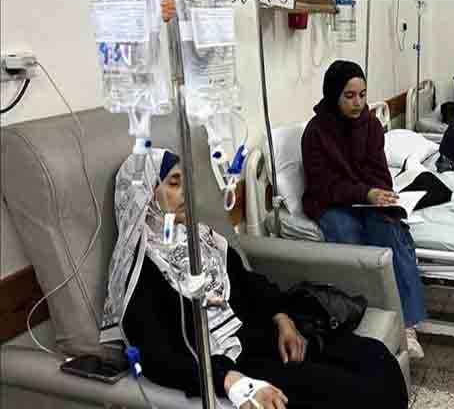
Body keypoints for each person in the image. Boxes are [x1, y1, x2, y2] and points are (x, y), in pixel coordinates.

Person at [101, 150, 408, 409]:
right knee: (360, 395)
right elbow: (159, 358)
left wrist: (283, 320)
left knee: (378, 360)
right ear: (144, 194)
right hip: (231, 364)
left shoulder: (200, 238)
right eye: (173, 183)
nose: (186, 193)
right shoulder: (139, 271)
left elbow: (248, 283)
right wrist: (231, 381)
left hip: (259, 335)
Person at [301, 60, 427, 358]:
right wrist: (365, 193)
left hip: (365, 198)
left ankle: (407, 325)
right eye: (349, 96)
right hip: (330, 201)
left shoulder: (370, 124)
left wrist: (380, 194)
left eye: (362, 95)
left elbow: (379, 170)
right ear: (334, 94)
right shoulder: (316, 132)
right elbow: (323, 185)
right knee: (348, 233)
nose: (358, 102)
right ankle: (368, 313)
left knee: (388, 230)